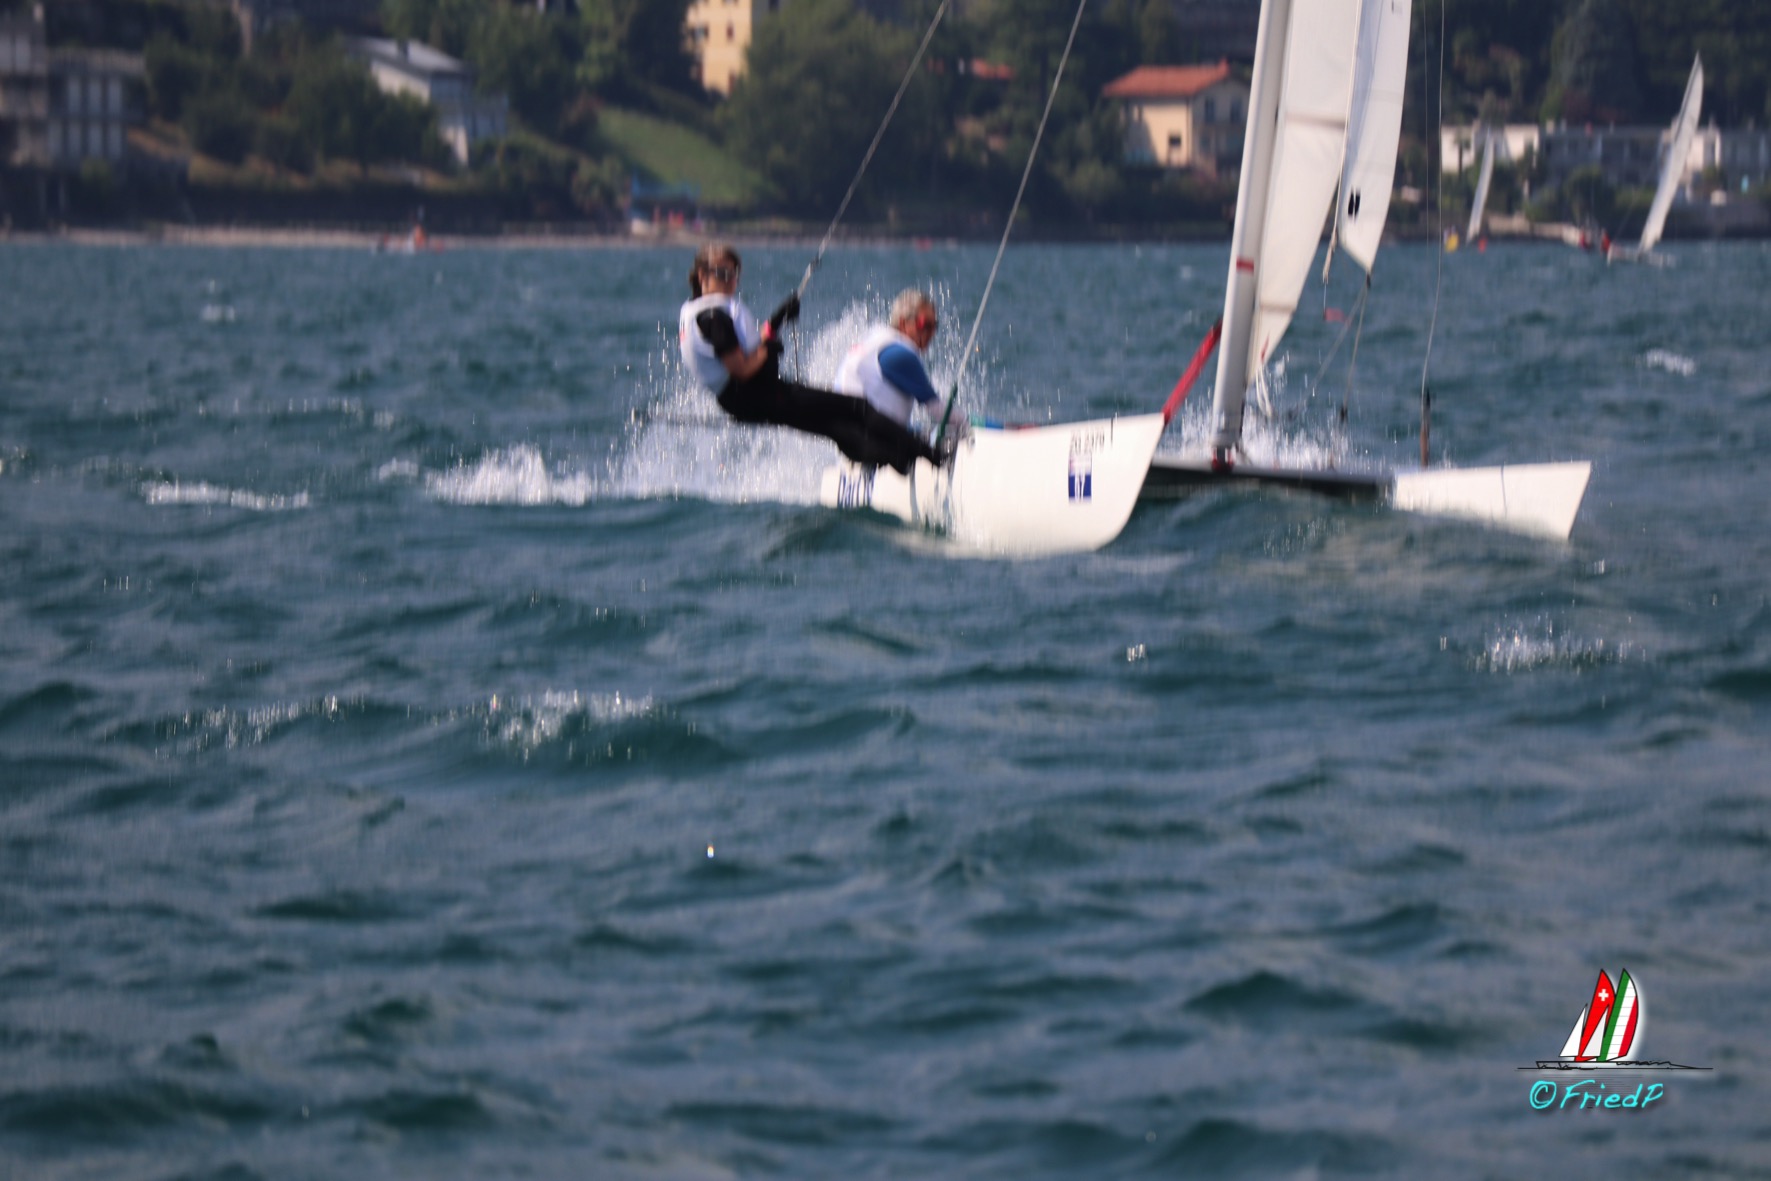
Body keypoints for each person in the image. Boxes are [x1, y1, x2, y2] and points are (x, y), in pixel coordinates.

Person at [677, 243, 943, 475]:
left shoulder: (697, 312)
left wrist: (776, 321)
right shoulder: (713, 318)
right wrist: (768, 350)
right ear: (702, 276)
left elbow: (746, 348)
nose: (730, 281)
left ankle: (899, 461)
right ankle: (930, 454)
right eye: (722, 274)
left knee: (835, 428)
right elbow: (741, 368)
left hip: (745, 398)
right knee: (857, 408)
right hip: (756, 395)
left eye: (734, 274)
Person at [834, 289, 964, 449]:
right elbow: (938, 410)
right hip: (872, 446)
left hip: (848, 441)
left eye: (934, 326)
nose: (931, 333)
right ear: (903, 323)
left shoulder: (873, 339)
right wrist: (969, 424)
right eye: (924, 325)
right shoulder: (902, 355)